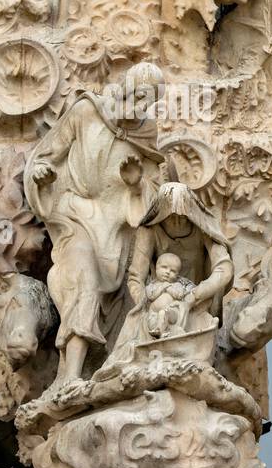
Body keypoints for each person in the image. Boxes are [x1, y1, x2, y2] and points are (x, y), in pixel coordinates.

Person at [23, 64, 166, 382]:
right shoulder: (86, 111)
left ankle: (106, 373)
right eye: (141, 96)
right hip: (76, 216)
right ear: (128, 88)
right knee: (84, 282)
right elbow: (49, 154)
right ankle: (71, 376)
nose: (143, 107)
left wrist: (135, 185)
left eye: (151, 102)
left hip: (118, 229)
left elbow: (152, 196)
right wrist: (42, 173)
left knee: (133, 300)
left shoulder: (146, 133)